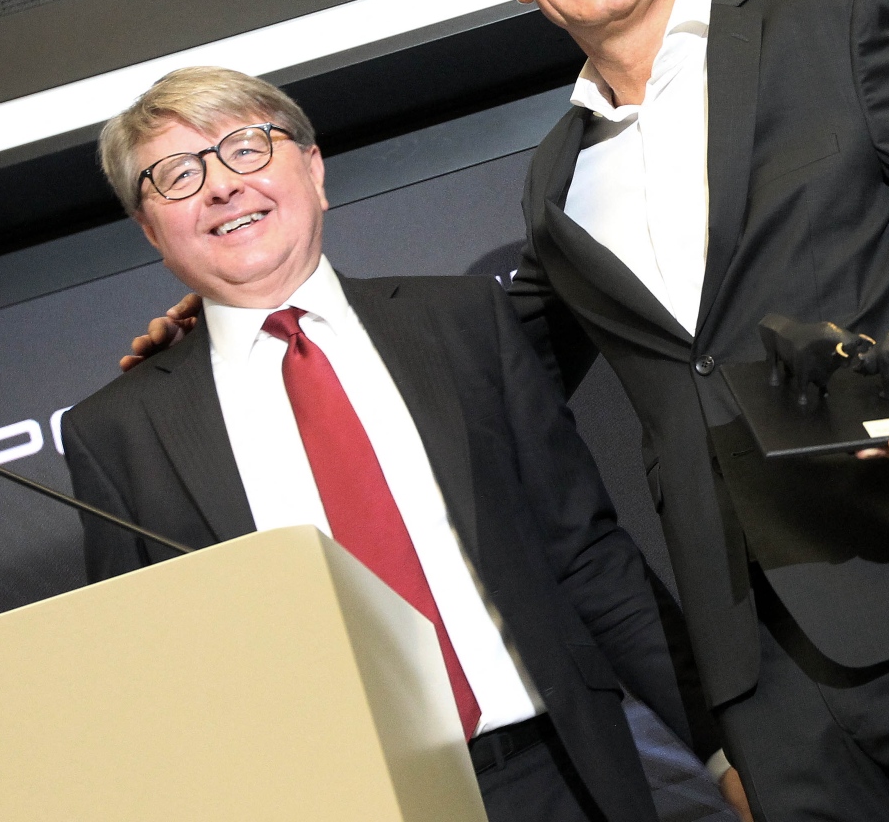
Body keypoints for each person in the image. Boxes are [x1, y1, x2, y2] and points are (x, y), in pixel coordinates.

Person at [130, 0, 889, 819]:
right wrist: (232, 324)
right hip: (760, 670)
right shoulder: (554, 185)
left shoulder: (831, 24)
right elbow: (476, 373)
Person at [70, 67, 745, 822]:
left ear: (315, 170)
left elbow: (588, 558)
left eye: (246, 148)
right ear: (150, 228)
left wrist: (720, 749)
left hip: (554, 779)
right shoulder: (119, 434)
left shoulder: (461, 325)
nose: (223, 185)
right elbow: (156, 689)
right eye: (176, 175)